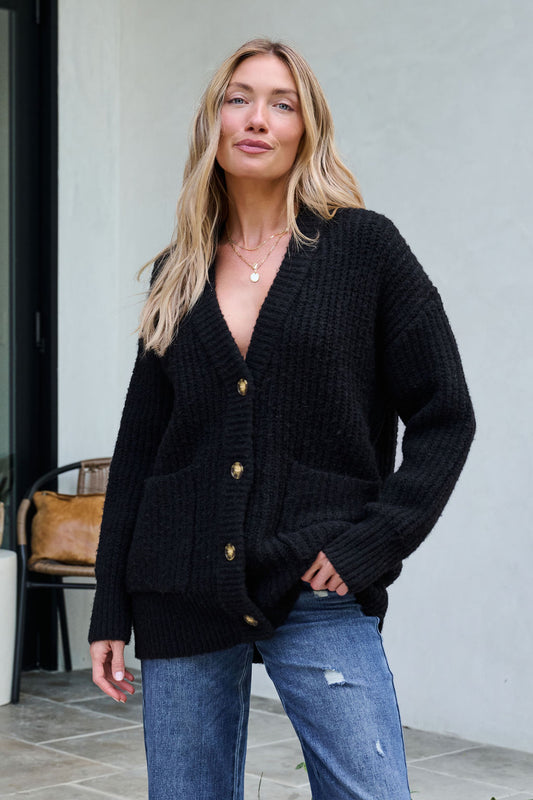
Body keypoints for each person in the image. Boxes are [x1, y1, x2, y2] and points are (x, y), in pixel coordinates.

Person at [89, 37, 476, 800]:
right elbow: (138, 453)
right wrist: (110, 604)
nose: (257, 118)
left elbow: (444, 415)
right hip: (180, 584)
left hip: (316, 576)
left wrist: (376, 538)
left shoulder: (362, 248)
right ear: (213, 124)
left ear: (307, 127)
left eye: (281, 102)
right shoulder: (182, 270)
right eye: (239, 98)